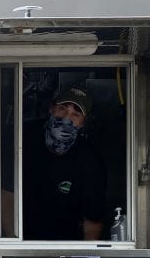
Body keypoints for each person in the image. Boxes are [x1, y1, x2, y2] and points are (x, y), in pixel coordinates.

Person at [20, 85, 106, 241]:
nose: (67, 117)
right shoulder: (22, 138)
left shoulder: (89, 160)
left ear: (83, 124)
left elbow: (92, 222)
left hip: (63, 247)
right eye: (63, 109)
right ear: (51, 109)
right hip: (19, 245)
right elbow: (5, 197)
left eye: (76, 114)